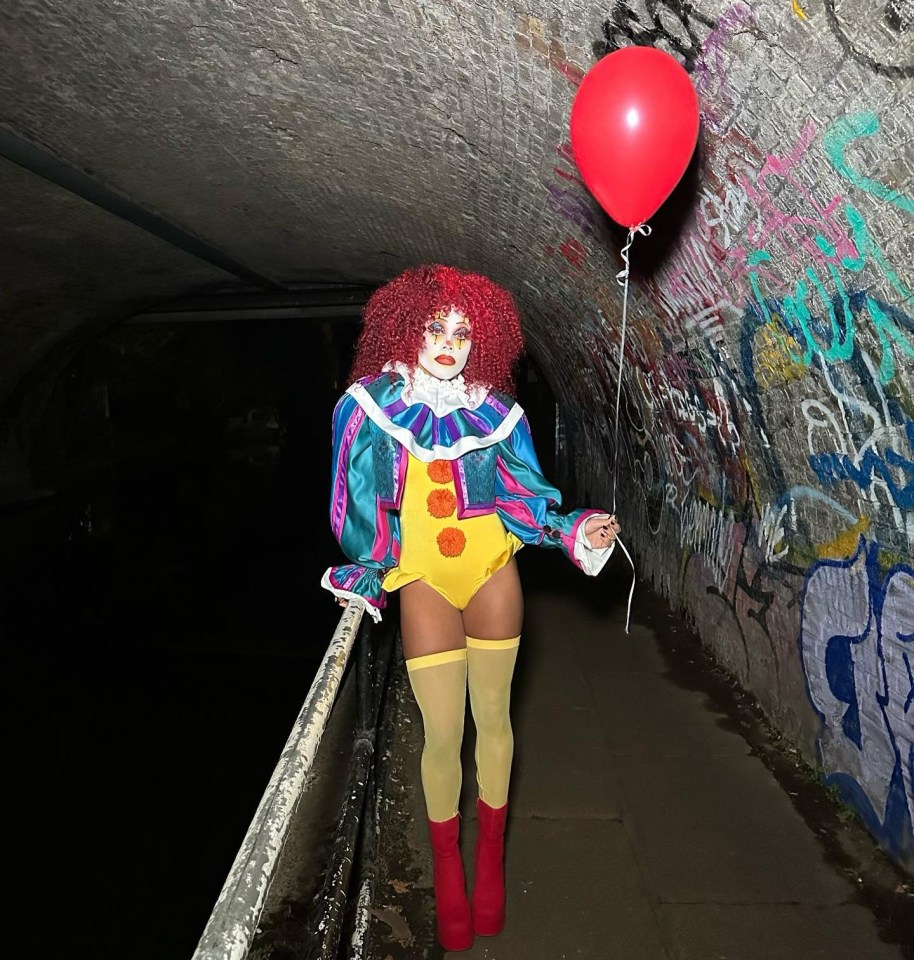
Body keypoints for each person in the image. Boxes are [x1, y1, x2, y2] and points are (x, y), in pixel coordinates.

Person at [321, 263, 620, 951]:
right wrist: (368, 567)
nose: (449, 343)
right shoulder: (370, 407)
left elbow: (524, 496)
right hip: (424, 577)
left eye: (463, 331)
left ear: (480, 338)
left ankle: (491, 864)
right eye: (436, 327)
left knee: (494, 721)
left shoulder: (496, 413)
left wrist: (571, 528)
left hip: (492, 571)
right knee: (441, 734)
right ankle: (448, 872)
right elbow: (357, 499)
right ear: (408, 327)